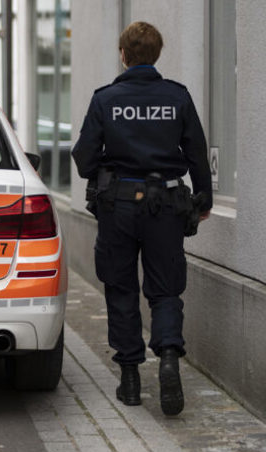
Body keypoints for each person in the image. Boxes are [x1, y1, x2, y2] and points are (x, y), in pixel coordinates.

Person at [71, 21, 211, 416]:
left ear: (123, 55)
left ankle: (130, 379)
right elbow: (198, 155)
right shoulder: (177, 97)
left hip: (118, 204)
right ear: (157, 54)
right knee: (166, 289)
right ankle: (168, 355)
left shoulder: (106, 99)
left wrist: (106, 171)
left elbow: (83, 158)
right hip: (166, 204)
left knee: (120, 287)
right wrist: (204, 200)